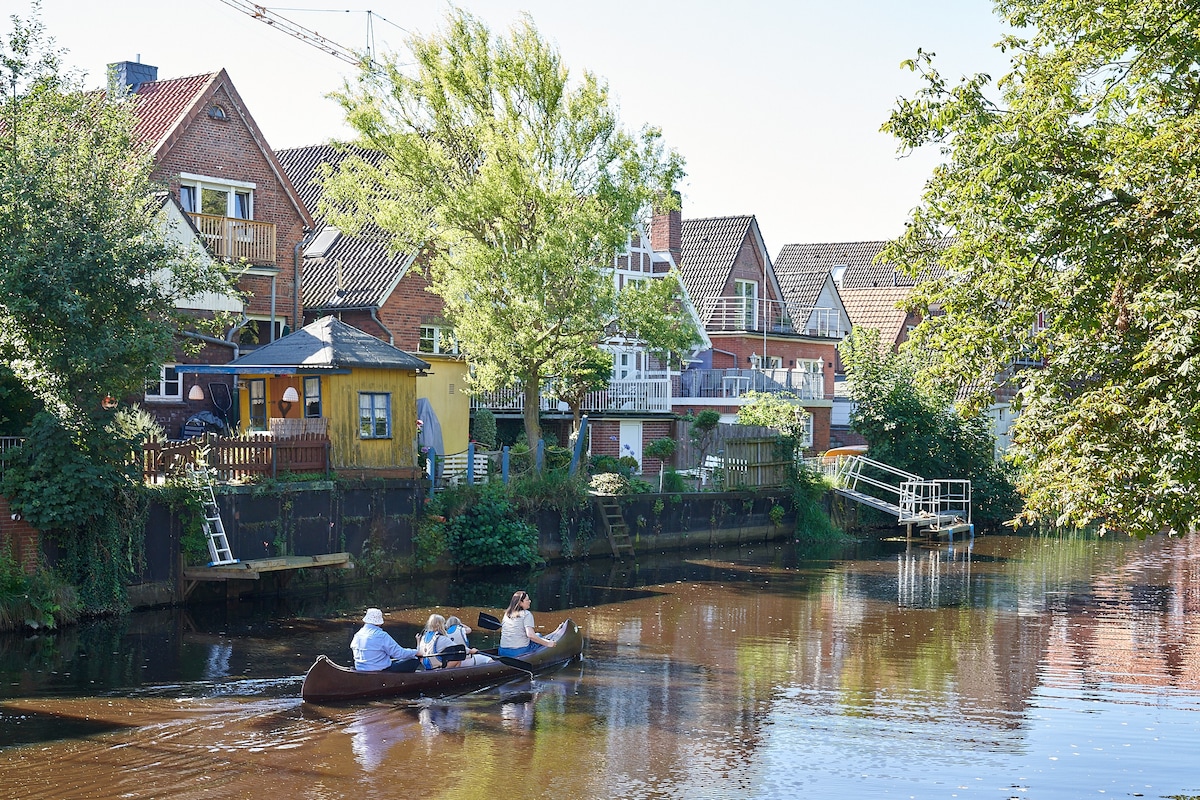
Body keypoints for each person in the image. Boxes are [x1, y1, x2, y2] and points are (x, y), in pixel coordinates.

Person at [351, 608, 420, 672]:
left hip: (360, 669)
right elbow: (399, 654)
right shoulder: (381, 635)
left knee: (394, 660)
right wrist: (416, 652)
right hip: (379, 671)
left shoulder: (358, 634)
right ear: (380, 622)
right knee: (415, 660)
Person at [498, 590, 557, 658]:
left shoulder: (507, 614)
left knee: (537, 635)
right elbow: (530, 635)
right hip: (518, 652)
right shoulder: (526, 614)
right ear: (520, 603)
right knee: (538, 636)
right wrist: (548, 643)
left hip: (502, 652)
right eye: (527, 600)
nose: (530, 601)